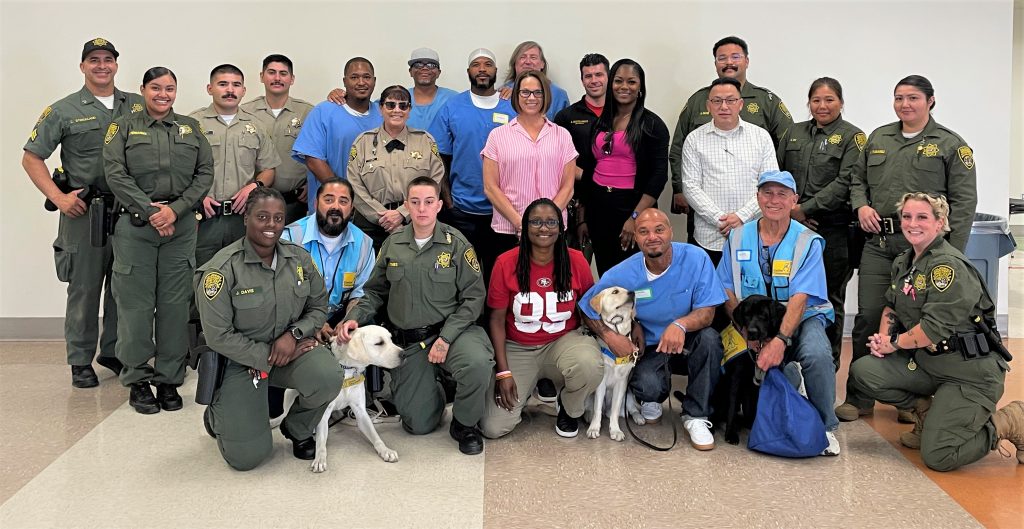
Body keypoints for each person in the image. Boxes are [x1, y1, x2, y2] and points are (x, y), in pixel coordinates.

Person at [848, 193, 1022, 471]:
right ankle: (928, 414)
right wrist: (883, 340)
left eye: (922, 217)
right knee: (866, 371)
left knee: (939, 457)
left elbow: (931, 330)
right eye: (907, 217)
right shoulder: (905, 261)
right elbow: (891, 306)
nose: (912, 223)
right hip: (929, 363)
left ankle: (1009, 420)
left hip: (969, 371)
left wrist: (893, 343)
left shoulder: (946, 268)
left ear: (940, 223)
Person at [841, 75, 978, 422]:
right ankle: (859, 397)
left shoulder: (950, 145)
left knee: (913, 320)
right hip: (880, 243)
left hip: (923, 249)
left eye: (913, 98)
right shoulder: (878, 138)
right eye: (899, 98)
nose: (905, 104)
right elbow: (857, 180)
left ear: (931, 102)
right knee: (870, 316)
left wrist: (950, 255)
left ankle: (910, 399)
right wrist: (861, 205)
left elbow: (963, 204)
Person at [339, 177, 494, 455]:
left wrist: (446, 338)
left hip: (453, 332)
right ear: (407, 206)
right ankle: (437, 388)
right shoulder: (393, 244)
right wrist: (356, 318)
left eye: (428, 201)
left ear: (439, 205)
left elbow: (474, 298)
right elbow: (374, 292)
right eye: (415, 202)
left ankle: (464, 423)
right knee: (418, 424)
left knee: (477, 362)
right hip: (410, 341)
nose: (422, 209)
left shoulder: (457, 244)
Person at [22, 38, 144, 388]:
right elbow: (32, 158)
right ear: (82, 66)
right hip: (84, 213)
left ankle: (115, 352)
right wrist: (59, 198)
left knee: (125, 287)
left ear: (117, 65)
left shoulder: (136, 106)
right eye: (94, 60)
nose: (101, 65)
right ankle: (80, 360)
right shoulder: (63, 110)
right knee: (85, 289)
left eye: (108, 59)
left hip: (127, 213)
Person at [195, 187, 344, 471]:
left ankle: (298, 428)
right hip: (240, 363)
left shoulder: (298, 259)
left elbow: (317, 307)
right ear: (246, 218)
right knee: (248, 458)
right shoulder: (221, 271)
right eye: (262, 217)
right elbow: (218, 336)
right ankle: (218, 415)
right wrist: (268, 354)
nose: (271, 225)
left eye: (278, 218)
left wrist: (295, 334)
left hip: (291, 348)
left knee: (328, 376)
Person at [104, 66, 214, 414]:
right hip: (135, 227)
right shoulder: (122, 127)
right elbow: (115, 173)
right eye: (155, 88)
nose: (162, 94)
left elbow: (204, 173)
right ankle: (137, 379)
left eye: (169, 88)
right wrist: (150, 211)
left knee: (174, 306)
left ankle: (169, 378)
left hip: (179, 228)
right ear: (143, 89)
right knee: (135, 308)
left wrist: (176, 210)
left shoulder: (190, 128)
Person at [716, 170, 841, 456]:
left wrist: (779, 340)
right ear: (758, 197)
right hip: (753, 322)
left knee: (816, 355)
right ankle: (783, 410)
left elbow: (800, 298)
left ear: (794, 200)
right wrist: (747, 332)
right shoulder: (737, 237)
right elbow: (727, 289)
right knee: (764, 369)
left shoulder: (807, 241)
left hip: (802, 317)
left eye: (782, 194)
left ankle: (825, 426)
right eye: (767, 193)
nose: (774, 200)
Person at [580, 209, 726, 451]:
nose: (652, 237)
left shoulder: (696, 258)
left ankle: (696, 416)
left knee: (710, 340)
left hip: (689, 338)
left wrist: (679, 324)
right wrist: (611, 336)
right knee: (647, 385)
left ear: (670, 231)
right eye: (643, 231)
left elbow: (707, 313)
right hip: (650, 346)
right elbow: (586, 308)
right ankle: (650, 398)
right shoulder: (623, 272)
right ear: (635, 238)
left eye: (659, 229)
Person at [479, 199, 603, 439]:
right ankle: (528, 389)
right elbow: (495, 319)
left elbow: (588, 308)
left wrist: (611, 336)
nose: (543, 228)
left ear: (561, 227)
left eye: (550, 222)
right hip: (518, 346)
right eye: (535, 222)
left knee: (589, 364)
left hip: (563, 342)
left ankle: (569, 407)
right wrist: (503, 372)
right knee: (493, 428)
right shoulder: (506, 262)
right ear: (524, 227)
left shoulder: (576, 260)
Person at [669, 36, 793, 245]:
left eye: (735, 57)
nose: (729, 62)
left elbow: (788, 147)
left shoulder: (766, 100)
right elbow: (678, 147)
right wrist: (678, 188)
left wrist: (781, 194)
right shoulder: (697, 99)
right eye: (722, 58)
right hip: (707, 224)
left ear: (746, 61)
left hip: (755, 216)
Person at [776, 77, 866, 368]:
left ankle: (827, 364)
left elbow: (847, 181)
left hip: (832, 230)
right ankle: (791, 362)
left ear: (841, 102)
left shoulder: (854, 137)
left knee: (827, 298)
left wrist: (806, 208)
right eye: (816, 100)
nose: (822, 106)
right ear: (809, 103)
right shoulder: (793, 133)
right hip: (791, 229)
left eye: (829, 100)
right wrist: (791, 211)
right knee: (788, 293)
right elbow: (777, 173)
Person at [428, 48, 516, 282]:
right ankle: (465, 319)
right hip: (463, 209)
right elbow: (440, 160)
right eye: (476, 65)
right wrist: (447, 200)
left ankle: (493, 319)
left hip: (504, 210)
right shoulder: (453, 107)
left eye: (488, 64)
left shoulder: (512, 106)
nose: (482, 69)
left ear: (496, 71)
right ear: (469, 71)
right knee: (462, 274)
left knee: (499, 275)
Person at [190, 64, 280, 268]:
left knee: (243, 277)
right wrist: (196, 196)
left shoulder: (256, 125)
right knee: (199, 278)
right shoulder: (193, 123)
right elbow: (179, 170)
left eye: (236, 85)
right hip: (204, 218)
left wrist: (255, 186)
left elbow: (269, 168)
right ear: (209, 88)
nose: (230, 90)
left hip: (242, 219)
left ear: (244, 91)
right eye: (223, 84)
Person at [680, 76, 777, 265]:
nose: (724, 106)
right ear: (708, 105)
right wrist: (721, 220)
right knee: (710, 292)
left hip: (753, 232)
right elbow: (691, 187)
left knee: (751, 291)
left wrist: (741, 217)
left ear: (740, 104)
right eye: (717, 101)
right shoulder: (694, 139)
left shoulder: (761, 137)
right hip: (709, 237)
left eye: (730, 100)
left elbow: (769, 185)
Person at [586, 59, 669, 275]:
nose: (624, 87)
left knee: (633, 272)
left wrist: (635, 217)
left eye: (631, 81)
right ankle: (611, 311)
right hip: (599, 207)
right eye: (619, 81)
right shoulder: (602, 121)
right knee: (606, 269)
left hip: (631, 207)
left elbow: (659, 176)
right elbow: (592, 163)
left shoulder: (652, 125)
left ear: (640, 86)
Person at [482, 70, 577, 253]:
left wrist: (545, 222)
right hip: (508, 230)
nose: (531, 97)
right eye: (525, 92)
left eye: (537, 92)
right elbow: (491, 187)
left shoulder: (562, 136)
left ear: (545, 95)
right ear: (516, 95)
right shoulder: (498, 136)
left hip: (551, 232)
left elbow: (568, 187)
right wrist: (521, 224)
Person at [348, 85, 445, 250]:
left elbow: (435, 180)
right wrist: (384, 219)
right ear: (380, 109)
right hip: (370, 225)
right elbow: (354, 185)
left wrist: (402, 213)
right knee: (370, 273)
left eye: (403, 105)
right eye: (390, 105)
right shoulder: (363, 142)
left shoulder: (425, 141)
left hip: (414, 221)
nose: (397, 110)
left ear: (409, 110)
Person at [281, 178, 374, 338]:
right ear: (316, 203)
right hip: (295, 321)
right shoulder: (290, 238)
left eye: (343, 201)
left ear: (352, 209)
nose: (336, 207)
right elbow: (281, 293)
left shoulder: (363, 243)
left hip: (340, 321)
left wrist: (348, 320)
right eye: (329, 199)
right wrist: (313, 322)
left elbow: (362, 293)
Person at [292, 57, 382, 212]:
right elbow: (313, 159)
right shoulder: (324, 111)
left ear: (374, 81)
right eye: (354, 77)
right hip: (332, 207)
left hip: (375, 209)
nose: (361, 82)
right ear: (344, 81)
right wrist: (343, 195)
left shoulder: (382, 113)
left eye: (366, 77)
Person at [241, 54, 315, 224]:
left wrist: (313, 184)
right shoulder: (245, 112)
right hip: (253, 201)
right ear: (262, 76)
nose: (277, 78)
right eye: (271, 72)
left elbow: (320, 153)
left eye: (283, 73)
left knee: (292, 249)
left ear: (292, 79)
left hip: (295, 202)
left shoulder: (307, 113)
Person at [554, 53, 609, 258]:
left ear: (608, 76)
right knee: (575, 269)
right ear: (582, 80)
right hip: (577, 205)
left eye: (599, 74)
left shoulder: (623, 114)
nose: (594, 81)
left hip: (613, 204)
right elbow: (557, 160)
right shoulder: (567, 117)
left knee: (615, 272)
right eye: (588, 76)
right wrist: (588, 178)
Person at [498, 41, 570, 119]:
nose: (528, 62)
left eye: (533, 57)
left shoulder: (559, 95)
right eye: (522, 57)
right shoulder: (503, 92)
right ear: (514, 63)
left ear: (542, 64)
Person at [406, 47, 458, 130]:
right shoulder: (400, 98)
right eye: (418, 65)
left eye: (431, 65)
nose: (425, 68)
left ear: (438, 73)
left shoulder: (453, 99)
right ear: (410, 72)